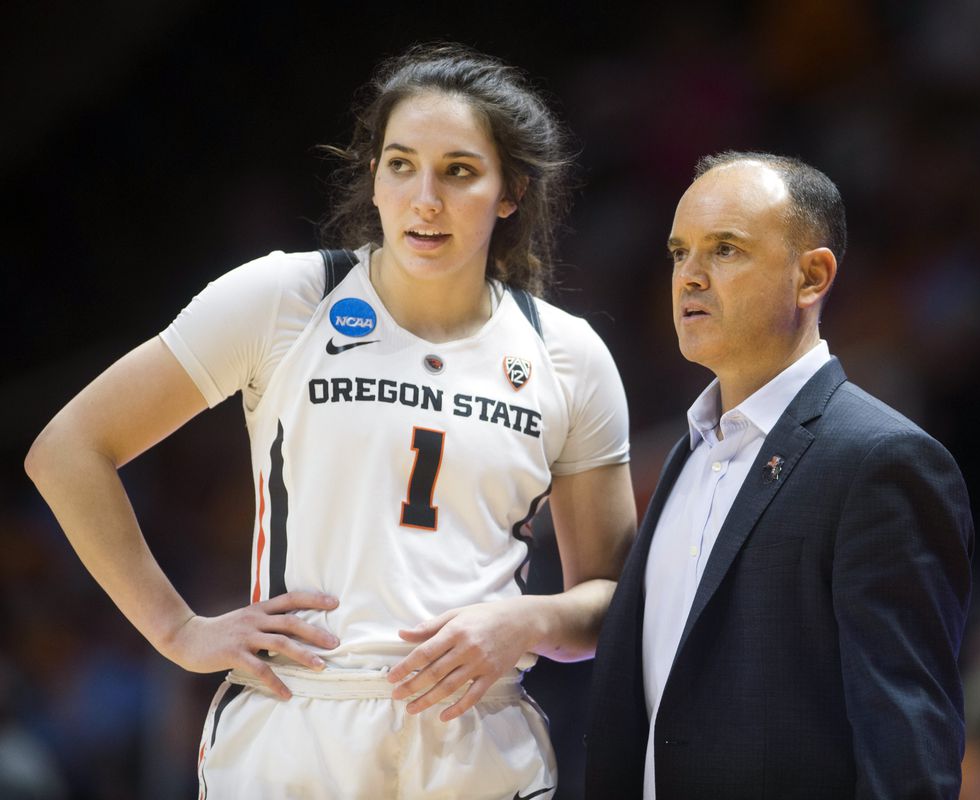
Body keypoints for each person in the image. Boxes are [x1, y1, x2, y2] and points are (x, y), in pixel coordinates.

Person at [25, 43, 637, 799]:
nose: (425, 199)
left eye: (459, 171)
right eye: (401, 164)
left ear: (510, 191)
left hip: (477, 737)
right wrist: (178, 631)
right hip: (296, 728)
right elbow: (68, 451)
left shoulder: (568, 355)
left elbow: (614, 598)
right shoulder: (286, 298)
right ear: (373, 176)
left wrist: (531, 622)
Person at [585, 152, 974, 798]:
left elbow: (907, 749)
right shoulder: (683, 456)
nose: (690, 277)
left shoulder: (882, 462)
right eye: (679, 253)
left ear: (812, 275)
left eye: (725, 250)